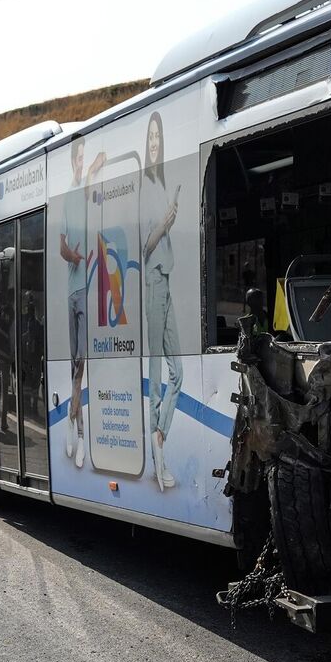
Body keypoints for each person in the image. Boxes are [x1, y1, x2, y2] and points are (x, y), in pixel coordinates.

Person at [140, 110, 183, 492]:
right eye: (150, 137)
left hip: (166, 279)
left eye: (159, 137)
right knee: (156, 373)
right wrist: (165, 224)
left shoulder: (162, 179)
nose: (155, 142)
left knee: (179, 374)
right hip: (152, 282)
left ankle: (158, 435)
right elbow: (144, 244)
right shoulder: (143, 184)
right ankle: (158, 457)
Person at [58, 138, 106, 470]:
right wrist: (74, 255)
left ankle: (77, 429)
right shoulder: (66, 199)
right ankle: (76, 424)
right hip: (73, 291)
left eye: (82, 158)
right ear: (71, 162)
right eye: (77, 158)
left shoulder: (86, 191)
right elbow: (62, 249)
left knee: (81, 363)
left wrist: (94, 167)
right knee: (76, 363)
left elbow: (91, 182)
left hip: (88, 288)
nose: (80, 162)